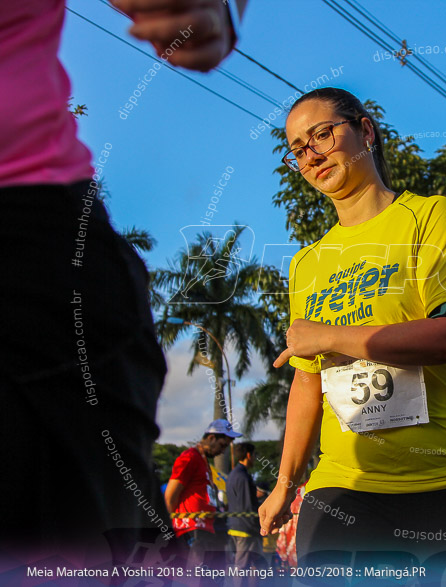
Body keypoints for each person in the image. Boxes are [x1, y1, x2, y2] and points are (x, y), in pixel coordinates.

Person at [1, 0, 247, 562]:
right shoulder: (190, 461)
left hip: (29, 241)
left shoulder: (214, 470)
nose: (226, 447)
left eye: (227, 443)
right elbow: (175, 490)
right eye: (224, 441)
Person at [257, 87, 446, 567]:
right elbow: (308, 379)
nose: (312, 155)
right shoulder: (306, 263)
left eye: (322, 134)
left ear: (366, 131)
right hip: (347, 491)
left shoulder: (428, 215)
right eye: (299, 149)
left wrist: (327, 336)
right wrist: (285, 484)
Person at [166, 419, 241, 568]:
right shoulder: (189, 457)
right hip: (191, 530)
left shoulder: (204, 462)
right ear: (211, 438)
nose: (222, 451)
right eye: (222, 445)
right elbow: (169, 497)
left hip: (207, 530)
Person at [228, 442, 263, 571]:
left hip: (235, 526)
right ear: (248, 455)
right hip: (246, 529)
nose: (254, 458)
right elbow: (247, 506)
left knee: (246, 566)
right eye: (254, 455)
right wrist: (257, 528)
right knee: (247, 567)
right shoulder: (242, 477)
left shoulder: (234, 474)